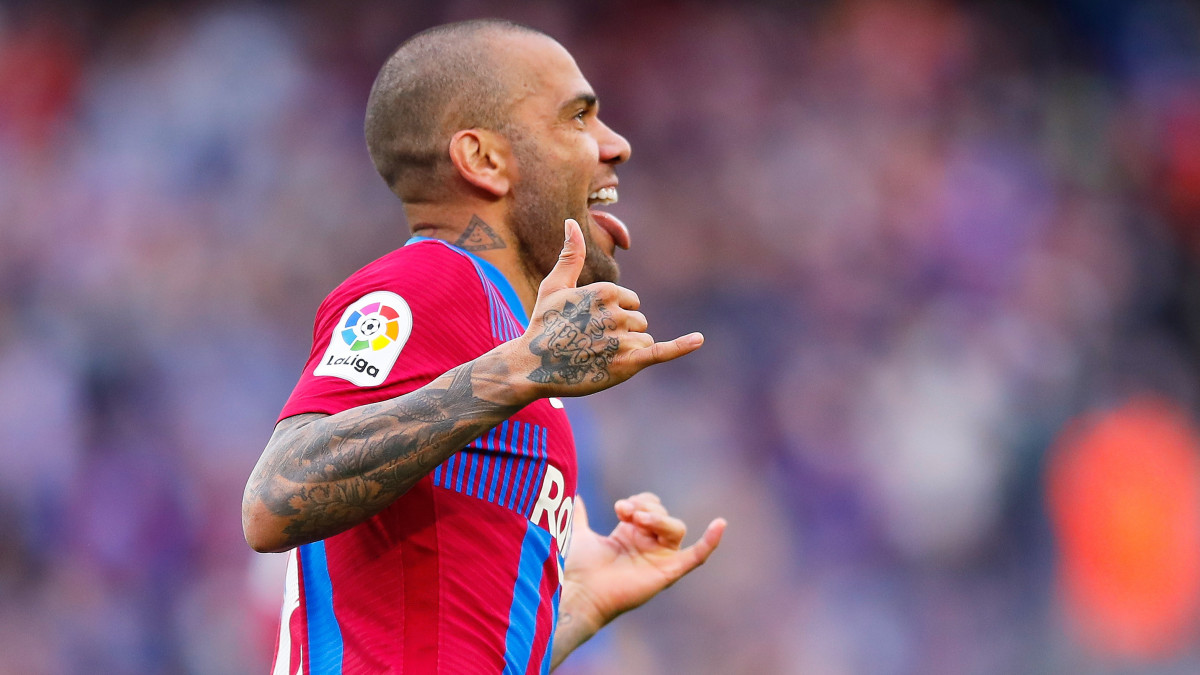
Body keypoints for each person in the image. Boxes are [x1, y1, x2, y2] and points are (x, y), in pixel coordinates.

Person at [242, 18, 726, 674]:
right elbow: (275, 496)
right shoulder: (432, 281)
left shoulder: (509, 344)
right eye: (578, 118)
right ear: (485, 160)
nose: (617, 145)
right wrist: (521, 368)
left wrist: (578, 600)